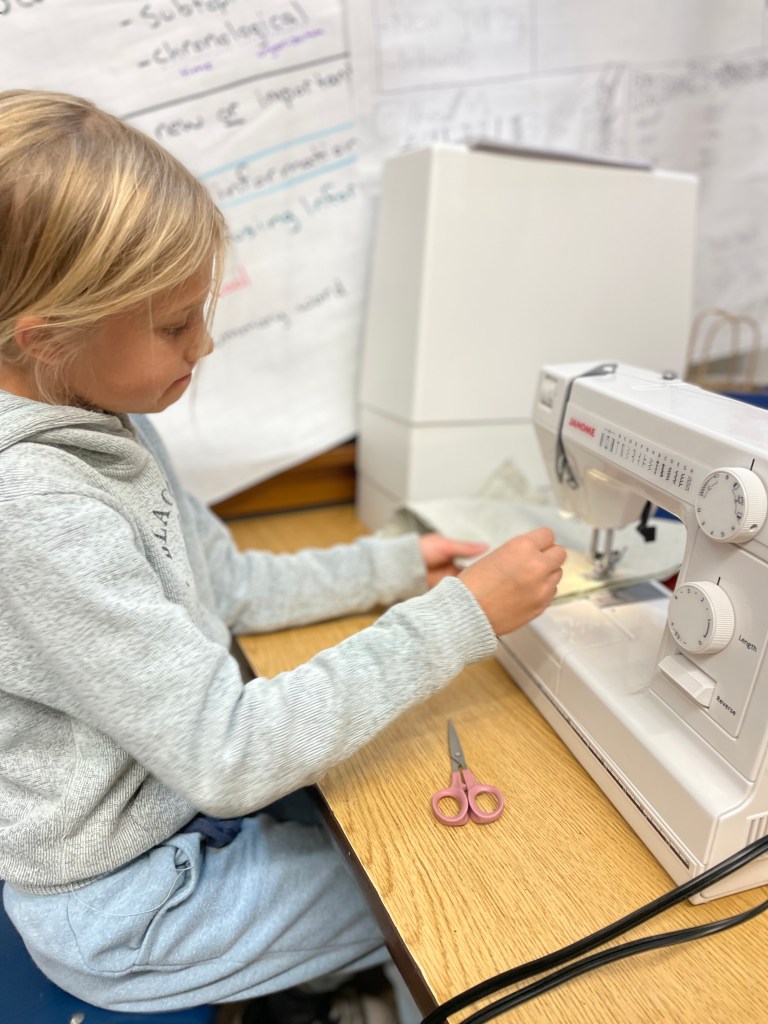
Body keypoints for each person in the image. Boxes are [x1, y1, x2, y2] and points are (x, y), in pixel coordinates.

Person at [0, 89, 566, 1023]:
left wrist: (395, 566)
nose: (206, 344)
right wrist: (462, 617)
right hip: (132, 910)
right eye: (176, 325)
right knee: (459, 890)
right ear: (48, 336)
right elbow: (230, 753)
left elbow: (231, 585)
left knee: (385, 816)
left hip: (183, 820)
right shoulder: (36, 508)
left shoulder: (106, 415)